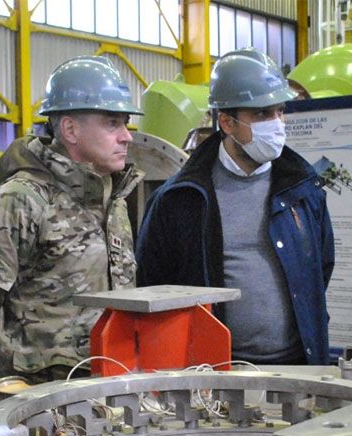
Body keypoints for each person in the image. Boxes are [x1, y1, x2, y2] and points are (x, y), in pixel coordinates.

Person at [0, 56, 143, 384]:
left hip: (105, 381)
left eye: (125, 123)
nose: (126, 136)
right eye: (112, 123)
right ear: (71, 129)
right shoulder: (23, 199)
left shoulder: (112, 200)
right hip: (37, 392)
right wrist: (5, 362)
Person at [136, 48, 334, 366]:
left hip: (299, 363)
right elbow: (153, 283)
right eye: (261, 114)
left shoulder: (304, 190)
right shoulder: (180, 200)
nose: (277, 124)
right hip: (214, 370)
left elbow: (320, 268)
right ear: (227, 122)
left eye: (280, 112)